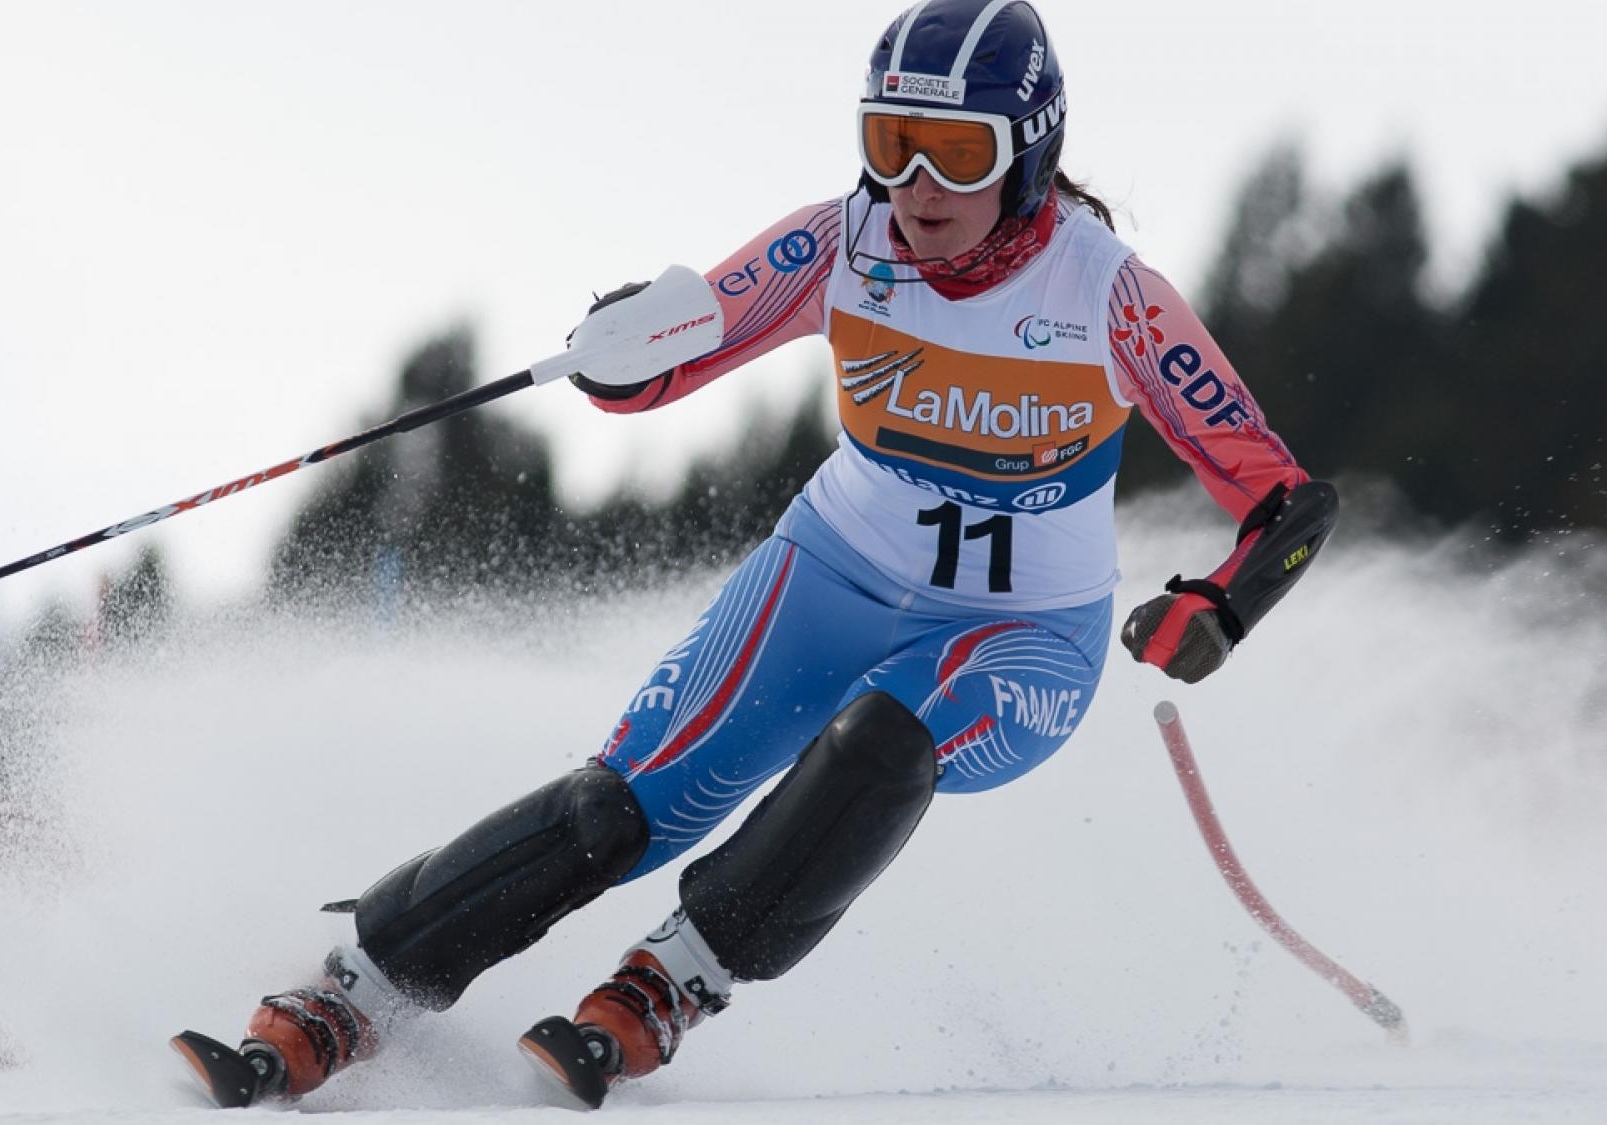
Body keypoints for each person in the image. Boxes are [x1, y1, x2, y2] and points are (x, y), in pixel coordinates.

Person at [171, 0, 1337, 1110]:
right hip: (829, 577)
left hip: (1020, 635)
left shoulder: (1109, 297)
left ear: (1028, 154)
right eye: (890, 141)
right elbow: (673, 359)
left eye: (955, 154)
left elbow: (1281, 498)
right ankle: (349, 997)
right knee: (616, 811)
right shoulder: (842, 241)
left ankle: (671, 981)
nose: (915, 187)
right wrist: (624, 347)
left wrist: (1221, 610)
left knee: (883, 744)